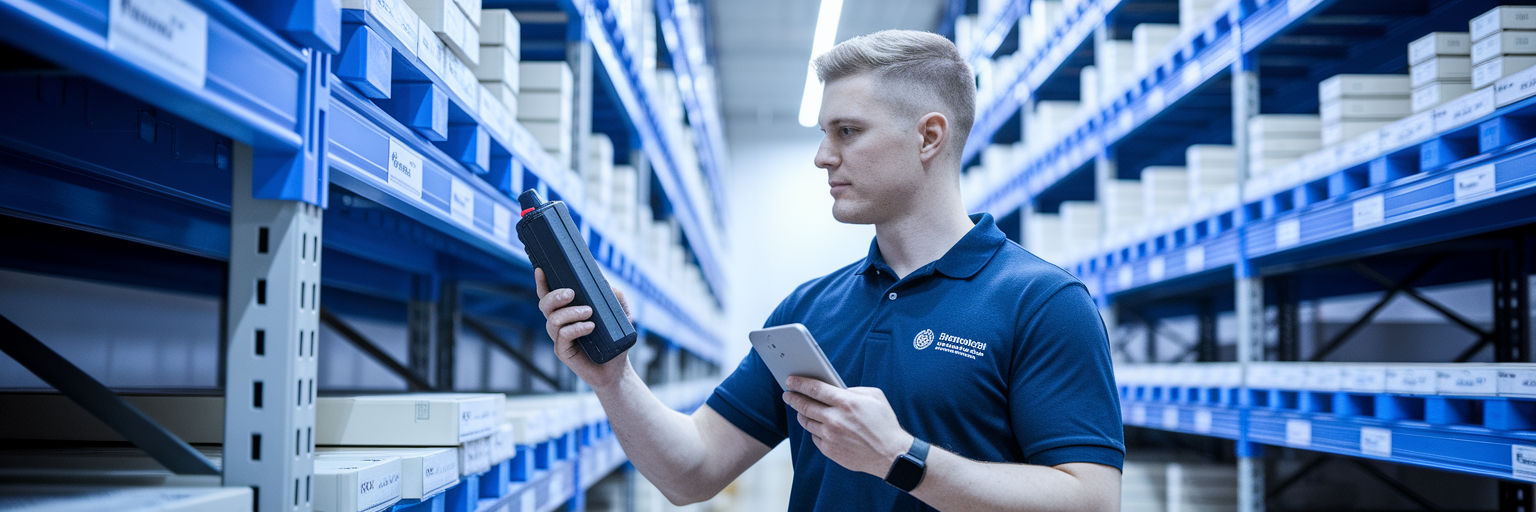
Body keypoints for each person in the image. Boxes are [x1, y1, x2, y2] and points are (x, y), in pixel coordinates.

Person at [535, 29, 1123, 511]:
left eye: (847, 131)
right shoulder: (808, 311)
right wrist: (614, 380)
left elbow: (1092, 501)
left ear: (929, 136)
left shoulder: (1043, 302)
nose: (822, 157)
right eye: (824, 134)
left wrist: (901, 456)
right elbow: (692, 473)